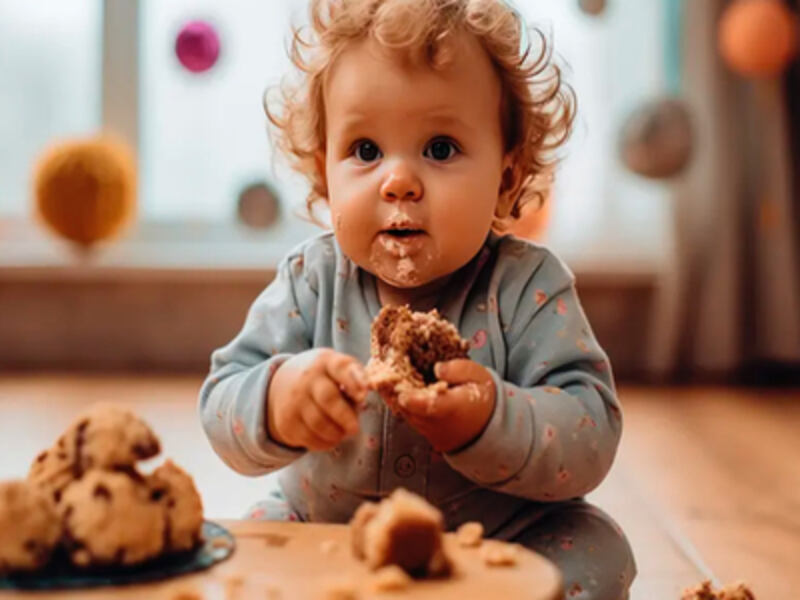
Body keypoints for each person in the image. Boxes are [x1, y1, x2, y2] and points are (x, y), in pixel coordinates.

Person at [200, 1, 636, 597]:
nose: (398, 181)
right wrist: (279, 398)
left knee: (598, 552)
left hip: (498, 542)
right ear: (324, 173)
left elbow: (591, 431)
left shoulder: (529, 286)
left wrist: (491, 418)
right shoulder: (312, 279)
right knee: (239, 553)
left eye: (439, 149)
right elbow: (222, 399)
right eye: (365, 150)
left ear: (506, 176)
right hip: (328, 534)